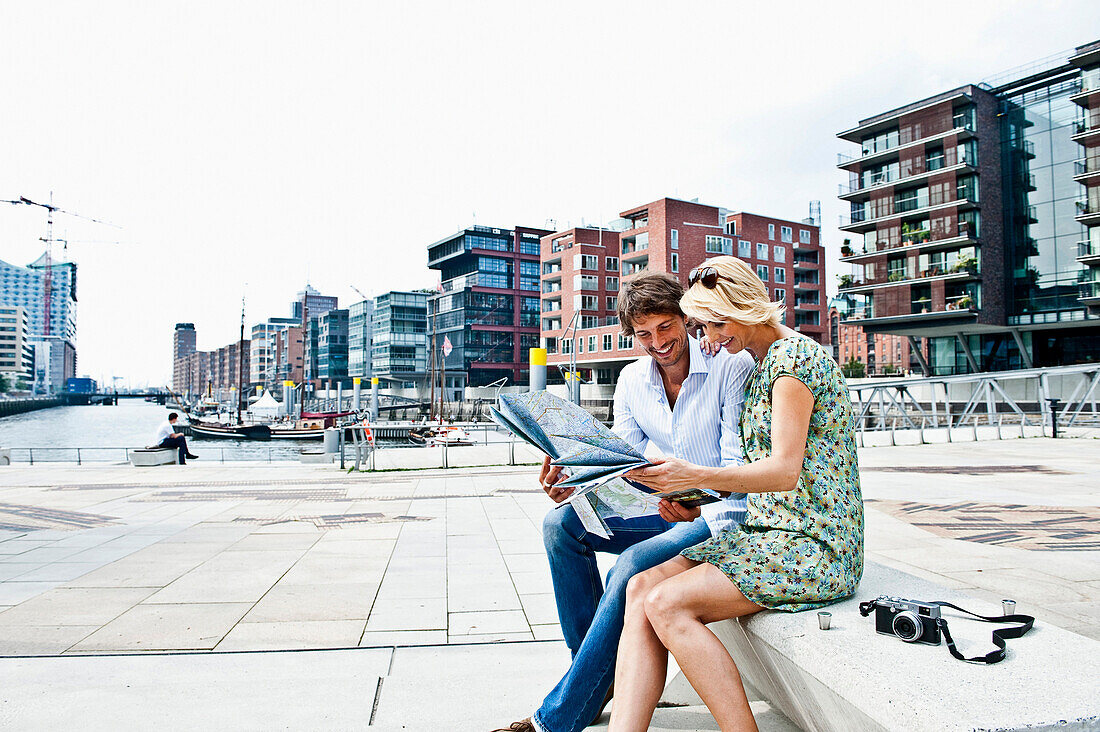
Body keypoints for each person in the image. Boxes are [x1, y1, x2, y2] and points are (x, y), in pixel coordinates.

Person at [608, 256, 864, 732]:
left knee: (667, 604)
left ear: (747, 306)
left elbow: (785, 471)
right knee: (640, 586)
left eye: (717, 324)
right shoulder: (761, 363)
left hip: (815, 543)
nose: (709, 339)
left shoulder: (793, 362)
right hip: (768, 532)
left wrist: (693, 472)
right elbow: (745, 469)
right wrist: (691, 495)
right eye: (704, 326)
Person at [494, 273, 755, 732]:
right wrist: (572, 480)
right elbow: (615, 460)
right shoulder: (633, 380)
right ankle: (592, 676)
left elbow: (740, 467)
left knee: (631, 564)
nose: (658, 342)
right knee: (560, 525)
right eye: (643, 334)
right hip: (662, 510)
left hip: (716, 515)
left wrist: (692, 492)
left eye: (665, 327)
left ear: (685, 319)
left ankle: (557, 718)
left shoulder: (727, 367)